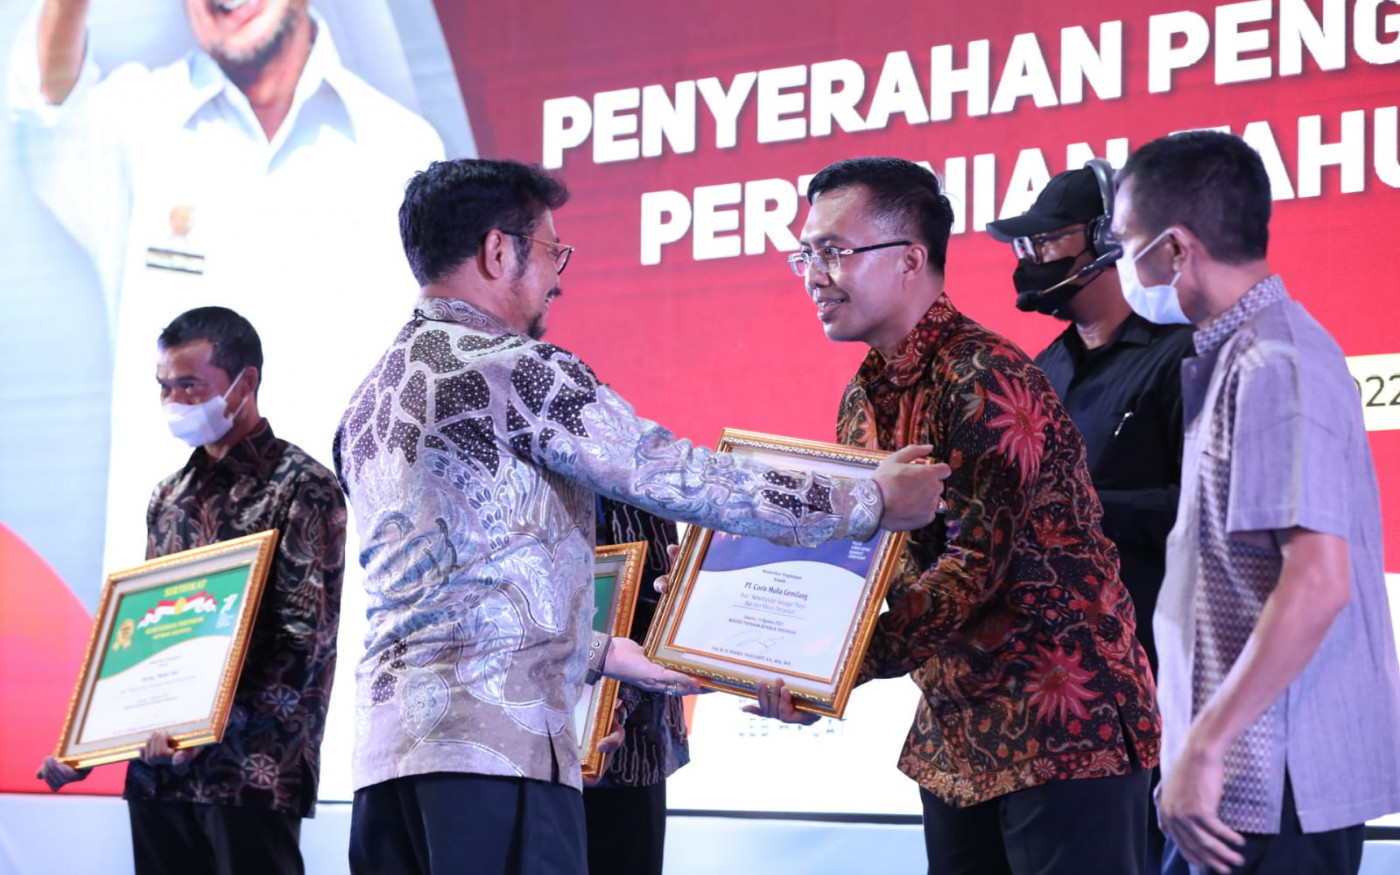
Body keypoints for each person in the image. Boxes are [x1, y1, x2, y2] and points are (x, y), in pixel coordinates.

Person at [332, 157, 950, 875]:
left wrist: (605, 653)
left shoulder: (367, 398)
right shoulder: (514, 367)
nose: (559, 276)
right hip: (498, 758)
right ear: (498, 251)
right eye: (552, 250)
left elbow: (453, 597)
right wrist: (869, 501)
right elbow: (676, 475)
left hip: (387, 766)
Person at [752, 156, 1162, 875]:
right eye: (806, 254)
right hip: (955, 735)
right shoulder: (863, 396)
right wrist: (772, 635)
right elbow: (866, 557)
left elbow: (971, 568)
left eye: (834, 251)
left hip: (1061, 727)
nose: (814, 275)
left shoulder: (984, 375)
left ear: (911, 258)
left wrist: (836, 670)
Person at [7, 0, 444, 579]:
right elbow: (47, 107)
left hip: (341, 597)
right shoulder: (134, 125)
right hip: (171, 599)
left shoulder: (401, 150)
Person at [1113, 130, 1400, 875]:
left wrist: (1205, 747)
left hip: (1275, 780)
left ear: (1176, 249)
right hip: (1238, 778)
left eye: (1127, 245)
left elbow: (1318, 581)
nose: (1123, 269)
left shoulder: (1274, 362)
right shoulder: (1240, 354)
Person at [37, 306, 346, 875]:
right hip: (159, 776)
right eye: (164, 386)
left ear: (244, 382)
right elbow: (151, 631)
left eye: (190, 386)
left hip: (251, 774)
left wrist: (208, 727)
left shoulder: (304, 487)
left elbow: (304, 642)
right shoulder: (168, 497)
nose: (174, 400)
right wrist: (93, 742)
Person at [988, 163, 1196, 869]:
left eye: (1048, 241)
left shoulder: (1183, 357)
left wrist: (1078, 510)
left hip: (1159, 672)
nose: (1032, 259)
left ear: (1107, 239)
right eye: (1027, 244)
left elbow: (1207, 509)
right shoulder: (1040, 372)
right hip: (1055, 687)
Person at [583, 497, 688, 875]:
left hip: (629, 751)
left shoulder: (640, 477)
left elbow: (664, 597)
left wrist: (617, 704)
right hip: (502, 742)